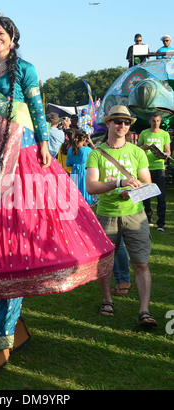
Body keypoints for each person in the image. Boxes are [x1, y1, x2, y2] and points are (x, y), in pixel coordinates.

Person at [0, 14, 114, 377]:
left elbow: (37, 109)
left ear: (12, 36)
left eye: (0, 32)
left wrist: (45, 144)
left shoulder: (26, 68)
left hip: (23, 156)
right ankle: (10, 329)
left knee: (11, 242)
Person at [85, 105, 157, 327]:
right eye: (117, 121)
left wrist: (132, 193)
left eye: (126, 122)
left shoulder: (138, 152)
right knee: (105, 263)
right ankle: (107, 300)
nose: (122, 125)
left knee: (141, 264)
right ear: (108, 123)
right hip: (107, 215)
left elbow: (149, 185)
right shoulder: (96, 153)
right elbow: (91, 186)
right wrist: (118, 183)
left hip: (135, 216)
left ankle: (144, 310)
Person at [137, 113, 171, 231]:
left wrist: (164, 155)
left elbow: (168, 151)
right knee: (146, 194)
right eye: (153, 121)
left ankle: (161, 223)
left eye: (157, 121)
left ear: (160, 121)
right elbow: (137, 148)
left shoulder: (164, 134)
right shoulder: (144, 133)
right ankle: (148, 218)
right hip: (146, 167)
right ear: (149, 121)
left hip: (159, 167)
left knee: (160, 196)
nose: (156, 123)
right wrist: (144, 148)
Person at [66, 129, 93, 205]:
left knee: (74, 194)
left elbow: (68, 163)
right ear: (84, 139)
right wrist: (91, 143)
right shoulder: (87, 150)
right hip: (84, 173)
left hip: (74, 172)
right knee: (84, 191)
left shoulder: (70, 149)